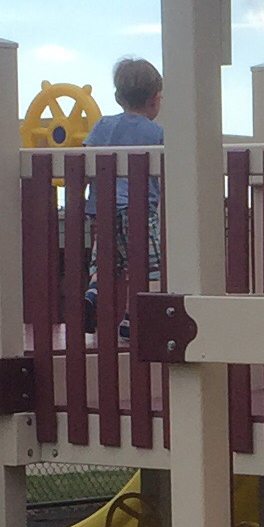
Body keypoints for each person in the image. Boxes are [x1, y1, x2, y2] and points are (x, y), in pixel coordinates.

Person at [78, 59, 161, 333]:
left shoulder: (103, 125)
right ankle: (131, 318)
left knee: (105, 261)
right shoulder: (156, 133)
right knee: (149, 266)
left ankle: (92, 296)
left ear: (117, 97)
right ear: (154, 100)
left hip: (102, 209)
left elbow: (86, 159)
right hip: (138, 211)